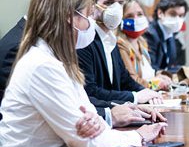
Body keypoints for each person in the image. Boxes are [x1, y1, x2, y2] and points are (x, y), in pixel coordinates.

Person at [0, 0, 166, 147]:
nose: (91, 25)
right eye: (88, 17)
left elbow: (87, 117)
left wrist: (95, 121)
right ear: (70, 18)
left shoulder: (61, 61)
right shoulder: (41, 65)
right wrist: (139, 135)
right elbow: (83, 140)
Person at [0, 16, 163, 125]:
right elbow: (60, 112)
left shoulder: (44, 44)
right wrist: (111, 116)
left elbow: (77, 98)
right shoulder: (22, 48)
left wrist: (124, 106)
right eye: (87, 14)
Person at [78, 0, 162, 104]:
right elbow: (90, 91)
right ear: (91, 6)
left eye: (120, 3)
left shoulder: (111, 39)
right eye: (109, 3)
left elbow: (125, 80)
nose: (116, 8)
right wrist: (135, 97)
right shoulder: (84, 41)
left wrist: (148, 94)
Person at [118, 0, 171, 90]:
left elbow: (146, 73)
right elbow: (132, 81)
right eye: (129, 16)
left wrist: (158, 75)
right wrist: (157, 83)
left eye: (139, 14)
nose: (136, 19)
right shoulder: (121, 45)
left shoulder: (142, 43)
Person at [145, 0, 189, 73]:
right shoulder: (150, 34)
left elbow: (171, 66)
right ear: (160, 13)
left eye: (181, 15)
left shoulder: (172, 33)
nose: (177, 19)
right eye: (173, 14)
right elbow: (151, 68)